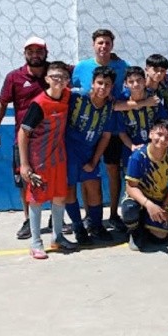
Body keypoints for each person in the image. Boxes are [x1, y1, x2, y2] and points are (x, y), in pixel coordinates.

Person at [0, 36, 49, 240]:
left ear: (46, 53)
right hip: (23, 141)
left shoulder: (56, 72)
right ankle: (28, 219)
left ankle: (56, 217)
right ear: (25, 54)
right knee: (25, 181)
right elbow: (1, 103)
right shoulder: (14, 77)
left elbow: (88, 70)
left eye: (39, 51)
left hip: (52, 140)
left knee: (56, 178)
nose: (35, 55)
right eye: (30, 51)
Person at [70, 29, 130, 231]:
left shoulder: (122, 66)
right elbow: (73, 91)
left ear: (112, 45)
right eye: (100, 42)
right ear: (93, 44)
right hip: (87, 130)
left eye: (107, 43)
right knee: (86, 173)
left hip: (111, 126)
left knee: (113, 170)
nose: (103, 46)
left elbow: (133, 85)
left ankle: (113, 214)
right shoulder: (81, 67)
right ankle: (89, 216)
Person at [17, 61, 77, 259]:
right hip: (39, 159)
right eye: (55, 77)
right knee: (37, 200)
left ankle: (57, 237)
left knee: (60, 196)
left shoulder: (67, 95)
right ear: (47, 79)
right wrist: (25, 164)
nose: (59, 81)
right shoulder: (39, 104)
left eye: (63, 77)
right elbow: (23, 133)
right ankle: (36, 243)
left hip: (58, 157)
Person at [64, 66, 117, 245]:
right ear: (92, 83)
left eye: (107, 84)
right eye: (99, 83)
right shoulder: (76, 97)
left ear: (112, 87)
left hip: (89, 153)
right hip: (69, 152)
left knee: (94, 188)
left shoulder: (110, 107)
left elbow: (106, 136)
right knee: (69, 190)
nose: (103, 87)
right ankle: (78, 227)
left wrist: (94, 160)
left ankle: (96, 226)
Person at [121, 119, 168, 251]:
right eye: (159, 134)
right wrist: (148, 204)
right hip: (138, 199)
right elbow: (131, 187)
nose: (163, 139)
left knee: (160, 237)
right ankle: (134, 231)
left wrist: (164, 206)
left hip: (158, 199)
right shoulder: (138, 156)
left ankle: (145, 224)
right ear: (151, 134)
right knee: (130, 209)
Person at [116, 67, 168, 174]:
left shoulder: (154, 99)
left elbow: (162, 124)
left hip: (153, 150)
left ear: (144, 81)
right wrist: (132, 146)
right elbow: (122, 132)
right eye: (131, 81)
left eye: (139, 80)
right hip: (131, 150)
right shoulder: (122, 102)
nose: (135, 84)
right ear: (125, 84)